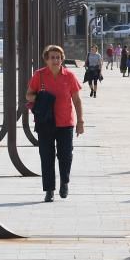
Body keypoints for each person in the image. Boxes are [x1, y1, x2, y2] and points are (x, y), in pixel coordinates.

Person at [25, 45, 85, 202]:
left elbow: (77, 100)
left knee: (66, 155)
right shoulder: (39, 75)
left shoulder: (69, 76)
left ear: (62, 59)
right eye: (52, 57)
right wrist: (40, 97)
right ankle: (49, 190)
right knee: (46, 157)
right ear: (46, 59)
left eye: (58, 57)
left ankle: (64, 182)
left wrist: (80, 121)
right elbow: (28, 95)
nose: (55, 60)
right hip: (45, 122)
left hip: (66, 122)